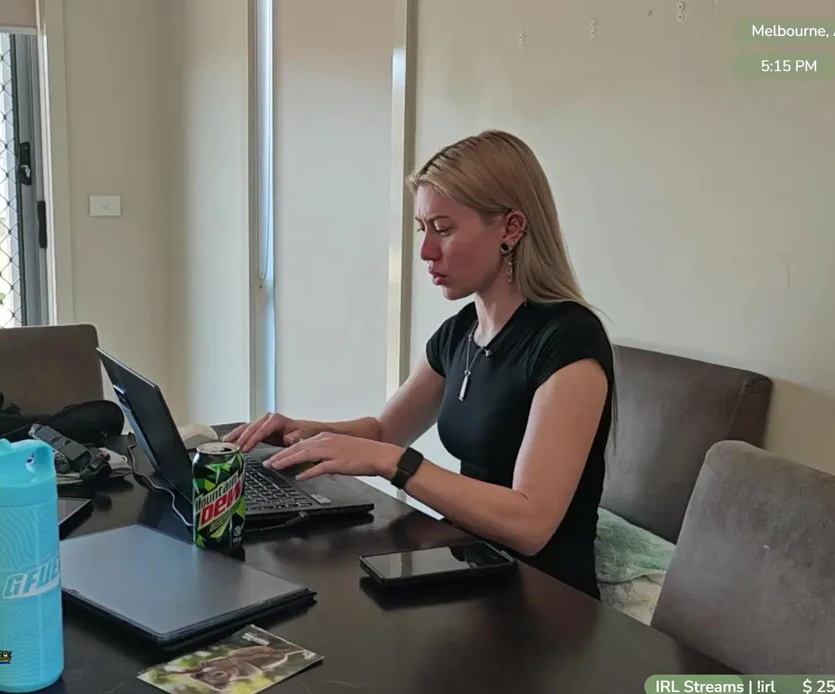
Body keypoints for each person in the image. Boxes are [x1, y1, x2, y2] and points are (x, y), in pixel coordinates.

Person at [225, 130, 615, 599]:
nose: (427, 251)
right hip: (474, 566)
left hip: (545, 600)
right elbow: (385, 431)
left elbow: (531, 524)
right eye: (422, 229)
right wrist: (305, 432)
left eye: (444, 230)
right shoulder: (461, 331)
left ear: (511, 229)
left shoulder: (569, 341)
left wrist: (396, 464)